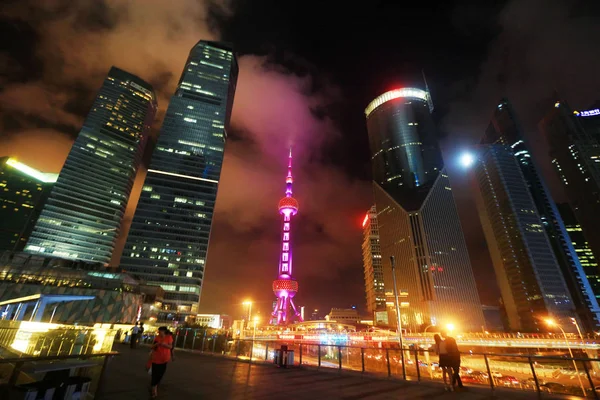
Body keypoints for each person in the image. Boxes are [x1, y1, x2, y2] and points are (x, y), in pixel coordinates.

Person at [149, 326, 173, 398]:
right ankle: (154, 391)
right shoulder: (157, 338)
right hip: (156, 359)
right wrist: (156, 344)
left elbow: (171, 347)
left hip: (164, 359)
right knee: (154, 375)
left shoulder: (168, 337)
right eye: (159, 331)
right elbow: (152, 346)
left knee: (160, 374)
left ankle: (155, 384)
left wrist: (165, 345)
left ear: (164, 331)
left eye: (160, 331)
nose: (159, 332)